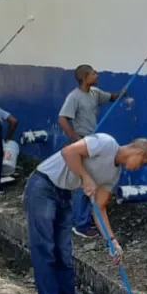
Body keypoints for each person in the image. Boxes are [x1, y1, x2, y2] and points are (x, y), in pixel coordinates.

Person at [24, 134, 147, 294]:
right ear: (138, 152)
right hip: (43, 187)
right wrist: (86, 177)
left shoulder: (114, 175)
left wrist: (112, 241)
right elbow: (69, 152)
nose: (140, 167)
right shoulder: (106, 142)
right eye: (143, 162)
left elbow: (99, 208)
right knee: (46, 252)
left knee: (64, 256)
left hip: (64, 193)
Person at [57, 65, 125, 239]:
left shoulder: (95, 93)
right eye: (94, 73)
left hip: (95, 143)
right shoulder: (74, 97)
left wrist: (121, 94)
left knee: (92, 181)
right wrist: (75, 137)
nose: (97, 74)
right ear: (85, 78)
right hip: (84, 143)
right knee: (84, 185)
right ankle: (81, 224)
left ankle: (84, 219)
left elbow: (111, 98)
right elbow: (62, 119)